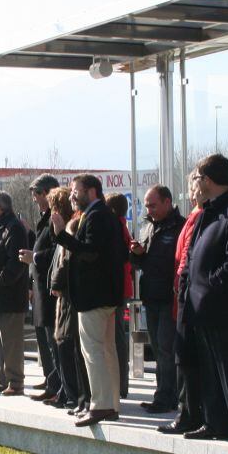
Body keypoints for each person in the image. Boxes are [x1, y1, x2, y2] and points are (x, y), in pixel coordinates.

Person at [178, 156, 228, 447]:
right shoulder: (208, 213)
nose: (194, 185)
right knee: (210, 370)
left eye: (196, 179)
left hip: (224, 307)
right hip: (201, 307)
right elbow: (191, 258)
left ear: (208, 180)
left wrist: (209, 288)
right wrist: (189, 290)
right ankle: (215, 422)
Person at [51, 174, 128, 426]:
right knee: (106, 351)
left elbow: (90, 252)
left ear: (92, 192)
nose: (72, 196)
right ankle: (109, 404)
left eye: (76, 191)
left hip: (95, 297)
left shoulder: (97, 216)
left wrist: (62, 235)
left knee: (94, 351)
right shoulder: (103, 215)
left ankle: (100, 406)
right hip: (104, 296)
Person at [130, 185, 185, 415]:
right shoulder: (148, 226)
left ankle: (167, 397)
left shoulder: (179, 227)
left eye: (153, 205)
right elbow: (141, 263)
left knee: (166, 348)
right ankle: (162, 393)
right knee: (158, 346)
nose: (149, 209)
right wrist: (137, 254)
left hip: (169, 298)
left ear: (167, 202)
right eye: (146, 205)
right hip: (151, 296)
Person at [159, 174, 208, 435]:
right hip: (182, 290)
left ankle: (190, 412)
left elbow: (188, 255)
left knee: (187, 357)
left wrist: (180, 282)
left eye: (193, 187)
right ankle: (188, 410)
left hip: (188, 292)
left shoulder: (200, 216)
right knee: (183, 355)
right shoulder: (195, 215)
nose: (190, 193)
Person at [0, 191, 30, 396]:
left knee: (11, 341)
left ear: (0, 207)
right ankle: (2, 378)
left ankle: (15, 382)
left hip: (8, 297)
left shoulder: (14, 228)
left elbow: (16, 262)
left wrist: (1, 280)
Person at [18, 174, 63, 400]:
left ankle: (59, 387)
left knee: (55, 341)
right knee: (45, 340)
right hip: (40, 289)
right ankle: (52, 381)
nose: (35, 200)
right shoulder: (45, 217)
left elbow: (56, 251)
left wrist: (34, 257)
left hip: (51, 289)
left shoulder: (58, 217)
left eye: (36, 195)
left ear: (46, 193)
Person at [46, 187, 84, 411]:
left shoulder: (71, 226)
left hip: (68, 295)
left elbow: (65, 260)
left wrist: (57, 284)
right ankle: (68, 392)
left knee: (66, 344)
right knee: (62, 343)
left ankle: (73, 394)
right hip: (64, 294)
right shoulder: (67, 226)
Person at [106, 193, 133, 400]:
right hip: (121, 288)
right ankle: (121, 384)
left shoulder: (115, 227)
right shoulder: (121, 226)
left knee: (116, 339)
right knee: (117, 338)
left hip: (116, 290)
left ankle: (120, 384)